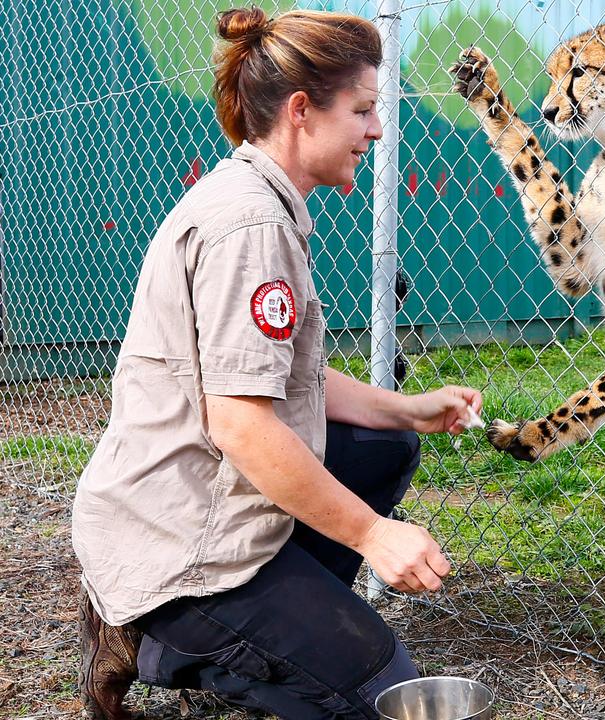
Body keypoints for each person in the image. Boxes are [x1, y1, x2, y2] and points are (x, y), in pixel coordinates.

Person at [71, 8, 480, 718]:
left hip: (198, 504)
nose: (376, 131)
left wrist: (404, 407)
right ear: (301, 112)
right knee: (376, 692)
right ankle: (172, 642)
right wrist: (373, 534)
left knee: (383, 445)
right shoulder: (251, 226)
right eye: (362, 110)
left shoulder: (258, 201)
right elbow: (241, 423)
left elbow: (287, 377)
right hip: (182, 546)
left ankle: (273, 629)